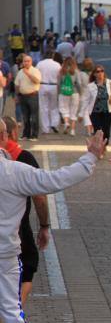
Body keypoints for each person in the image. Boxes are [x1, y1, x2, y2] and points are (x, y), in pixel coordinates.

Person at [1, 123, 106, 323]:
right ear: (4, 137)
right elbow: (55, 180)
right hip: (4, 253)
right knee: (10, 305)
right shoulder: (13, 171)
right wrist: (90, 157)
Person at [2, 117, 50, 308]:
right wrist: (44, 226)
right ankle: (12, 312)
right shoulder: (24, 158)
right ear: (12, 133)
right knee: (27, 268)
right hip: (18, 230)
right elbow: (40, 197)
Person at [81, 64, 111, 143]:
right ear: (94, 74)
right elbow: (85, 100)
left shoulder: (110, 83)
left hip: (107, 110)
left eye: (102, 71)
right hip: (95, 112)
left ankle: (104, 146)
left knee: (106, 131)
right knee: (97, 131)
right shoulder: (90, 86)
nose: (100, 73)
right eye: (98, 71)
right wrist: (81, 114)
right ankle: (99, 147)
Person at [14, 55, 41, 141]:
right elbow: (17, 84)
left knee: (34, 116)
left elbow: (37, 81)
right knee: (25, 117)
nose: (26, 63)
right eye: (25, 61)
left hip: (32, 95)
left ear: (31, 62)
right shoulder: (20, 72)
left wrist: (28, 74)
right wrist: (17, 95)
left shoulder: (35, 70)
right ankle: (26, 134)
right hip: (23, 96)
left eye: (28, 61)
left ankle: (34, 135)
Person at [36, 52, 61, 135]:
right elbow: (59, 76)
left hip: (42, 85)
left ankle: (45, 128)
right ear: (52, 55)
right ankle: (54, 123)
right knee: (54, 106)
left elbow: (36, 75)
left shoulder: (40, 64)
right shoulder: (57, 65)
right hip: (54, 85)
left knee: (43, 107)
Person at [57, 57, 82, 136]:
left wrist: (59, 92)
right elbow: (79, 83)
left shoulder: (62, 71)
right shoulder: (76, 71)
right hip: (74, 92)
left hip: (64, 92)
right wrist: (80, 92)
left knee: (64, 109)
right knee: (73, 111)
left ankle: (66, 123)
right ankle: (73, 131)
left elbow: (59, 83)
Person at [76, 58, 94, 136]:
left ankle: (88, 130)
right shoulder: (94, 73)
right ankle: (92, 128)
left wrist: (80, 92)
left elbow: (79, 84)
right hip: (94, 94)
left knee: (86, 113)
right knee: (93, 112)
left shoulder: (81, 74)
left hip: (84, 93)